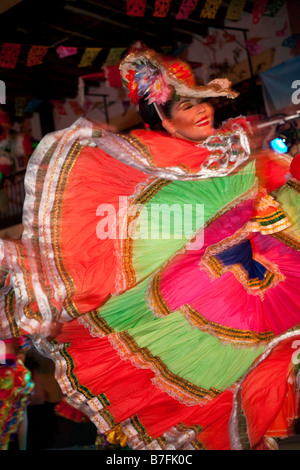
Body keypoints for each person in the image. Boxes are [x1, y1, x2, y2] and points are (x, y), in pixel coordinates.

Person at [0, 48, 299, 451]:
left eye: (203, 102)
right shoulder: (155, 164)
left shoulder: (228, 155)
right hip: (198, 291)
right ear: (163, 115)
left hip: (251, 284)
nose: (202, 112)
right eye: (187, 105)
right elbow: (151, 236)